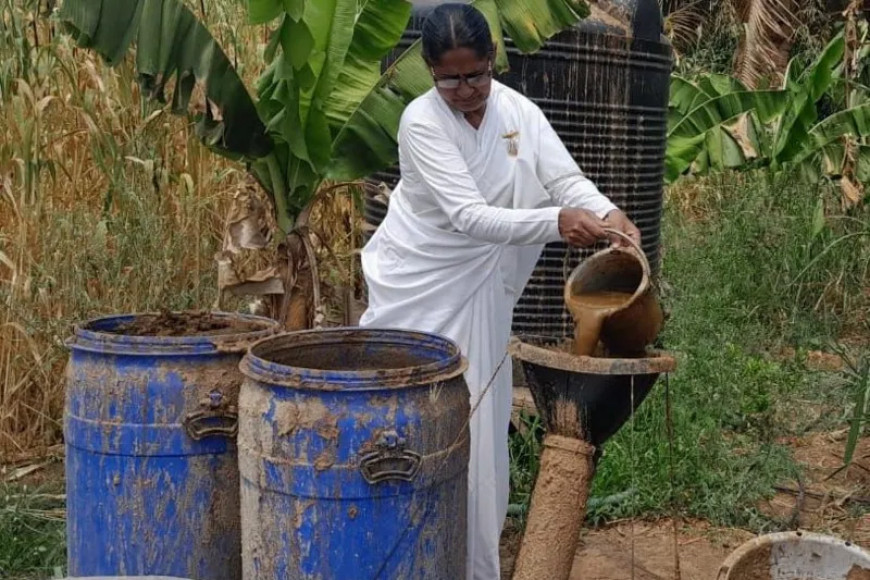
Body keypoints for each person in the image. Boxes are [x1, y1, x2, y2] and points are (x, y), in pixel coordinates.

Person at [358, 3, 641, 578]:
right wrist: (557, 222)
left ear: (493, 61)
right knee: (410, 422)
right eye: (450, 78)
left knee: (478, 425)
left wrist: (609, 212)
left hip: (481, 289)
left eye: (475, 74)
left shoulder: (517, 111)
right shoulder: (420, 121)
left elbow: (562, 178)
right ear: (431, 72)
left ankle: (467, 562)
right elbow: (469, 216)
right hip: (421, 285)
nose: (465, 89)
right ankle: (398, 557)